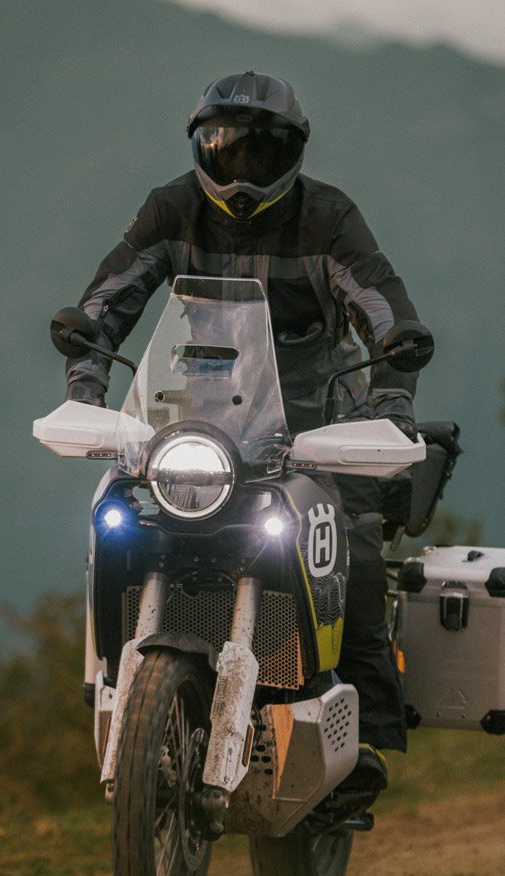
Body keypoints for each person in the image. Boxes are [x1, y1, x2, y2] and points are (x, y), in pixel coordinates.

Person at [61, 71, 429, 792]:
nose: (242, 169)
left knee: (348, 546)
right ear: (200, 146)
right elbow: (103, 304)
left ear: (294, 152)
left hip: (319, 419)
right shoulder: (171, 209)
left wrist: (392, 399)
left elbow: (384, 311)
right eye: (225, 148)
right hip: (195, 422)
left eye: (262, 151)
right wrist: (85, 388)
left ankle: (369, 738)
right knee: (120, 525)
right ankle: (114, 678)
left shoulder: (328, 218)